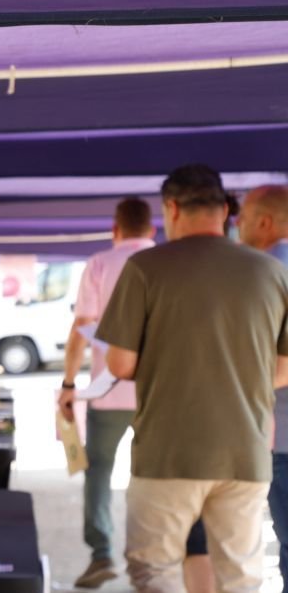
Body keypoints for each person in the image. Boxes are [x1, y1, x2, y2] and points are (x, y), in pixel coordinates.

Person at [98, 165, 288, 593]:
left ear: (171, 208)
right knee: (239, 576)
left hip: (169, 451)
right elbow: (283, 369)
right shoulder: (271, 272)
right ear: (225, 210)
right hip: (246, 450)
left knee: (155, 570)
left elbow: (121, 364)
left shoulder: (146, 267)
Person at [56, 197, 156, 589]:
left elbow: (81, 327)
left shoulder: (100, 263)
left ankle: (102, 553)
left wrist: (69, 384)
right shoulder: (166, 261)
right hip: (157, 394)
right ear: (152, 229)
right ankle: (149, 556)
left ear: (115, 229)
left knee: (98, 471)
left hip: (107, 391)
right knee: (150, 475)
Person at [238, 184, 288, 589]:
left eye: (243, 216)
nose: (236, 224)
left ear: (265, 222)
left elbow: (281, 368)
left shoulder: (262, 272)